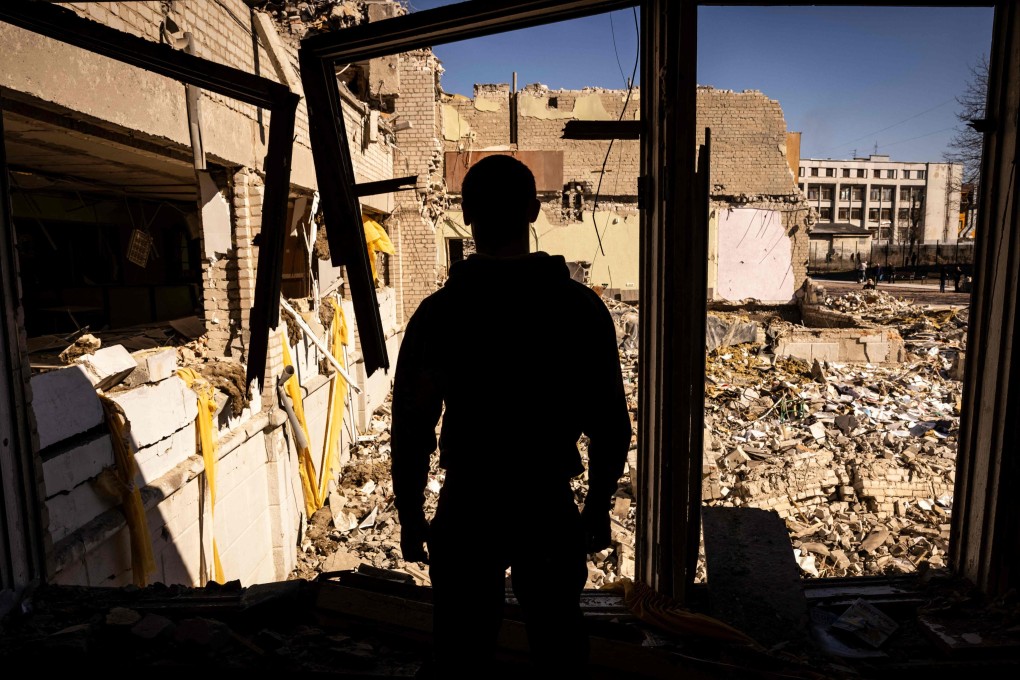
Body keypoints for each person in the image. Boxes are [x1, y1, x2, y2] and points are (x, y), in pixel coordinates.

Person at [390, 155, 632, 676]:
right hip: (546, 504)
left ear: (467, 214)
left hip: (469, 505)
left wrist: (411, 514)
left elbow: (412, 427)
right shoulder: (578, 310)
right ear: (533, 210)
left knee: (460, 650)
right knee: (559, 647)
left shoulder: (440, 314)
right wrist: (595, 509)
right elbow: (610, 425)